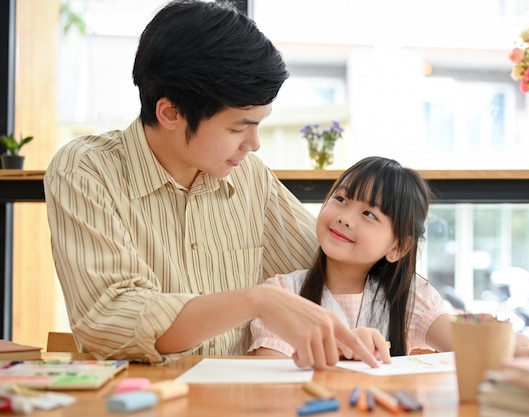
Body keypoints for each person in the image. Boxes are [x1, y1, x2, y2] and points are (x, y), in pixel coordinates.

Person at [43, 0, 379, 369]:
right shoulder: (86, 171)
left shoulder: (250, 177)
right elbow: (110, 318)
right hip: (142, 401)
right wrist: (257, 301)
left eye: (259, 123)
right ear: (170, 113)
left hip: (242, 400)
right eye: (239, 127)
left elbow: (332, 268)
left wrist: (359, 327)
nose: (254, 144)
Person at [249, 157, 529, 360]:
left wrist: (510, 342)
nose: (346, 217)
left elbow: (457, 335)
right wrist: (342, 348)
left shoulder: (408, 297)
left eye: (369, 214)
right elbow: (267, 373)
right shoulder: (282, 293)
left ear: (398, 247)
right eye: (341, 198)